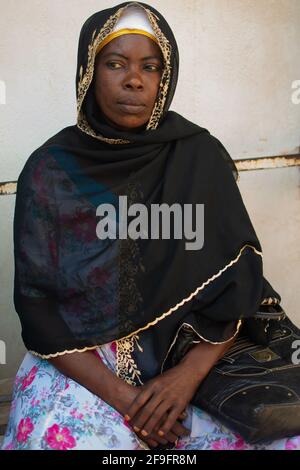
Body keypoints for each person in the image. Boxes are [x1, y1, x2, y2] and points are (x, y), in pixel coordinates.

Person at [2, 1, 299, 450]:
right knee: (66, 439)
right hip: (87, 359)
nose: (134, 80)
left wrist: (187, 376)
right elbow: (40, 308)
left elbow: (239, 282)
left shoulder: (198, 156)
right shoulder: (51, 171)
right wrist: (126, 400)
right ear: (88, 71)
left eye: (150, 66)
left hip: (197, 347)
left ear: (164, 77)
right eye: (115, 63)